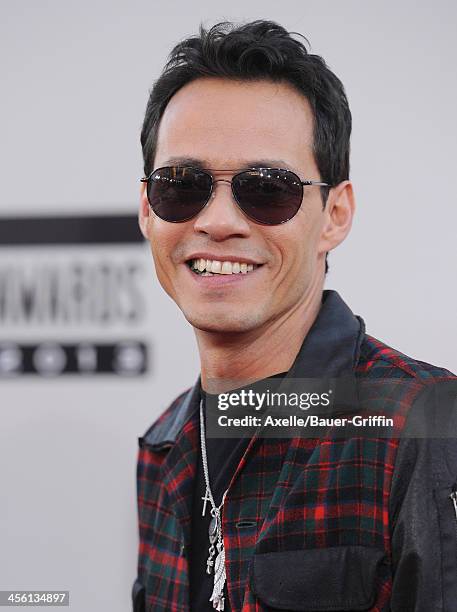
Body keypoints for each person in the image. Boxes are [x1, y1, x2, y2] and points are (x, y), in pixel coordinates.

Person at [132, 20, 457, 612]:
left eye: (267, 188)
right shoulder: (164, 444)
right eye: (181, 185)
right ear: (148, 212)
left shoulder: (427, 427)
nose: (219, 221)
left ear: (335, 214)